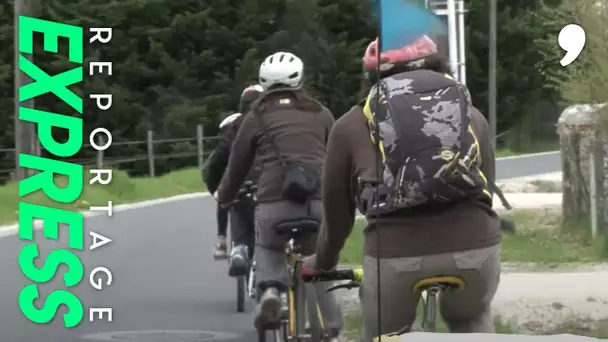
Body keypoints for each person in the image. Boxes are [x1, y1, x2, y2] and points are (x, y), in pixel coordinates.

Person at [301, 36, 502, 341]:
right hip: (476, 250)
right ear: (439, 66)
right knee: (472, 319)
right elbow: (486, 187)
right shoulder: (471, 115)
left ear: (372, 77)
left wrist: (323, 262)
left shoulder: (350, 125)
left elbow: (337, 213)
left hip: (393, 255)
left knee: (383, 333)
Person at [216, 52, 343, 337]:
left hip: (274, 202)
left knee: (268, 246)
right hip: (318, 201)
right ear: (300, 79)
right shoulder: (321, 112)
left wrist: (225, 196)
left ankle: (272, 289)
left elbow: (237, 166)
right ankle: (330, 321)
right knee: (318, 259)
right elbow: (338, 156)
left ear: (263, 82)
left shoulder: (255, 117)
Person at [203, 85, 264, 273]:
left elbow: (212, 167)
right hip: (274, 189)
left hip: (242, 191)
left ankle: (235, 248)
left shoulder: (236, 127)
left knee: (229, 194)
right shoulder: (275, 123)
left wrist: (215, 190)